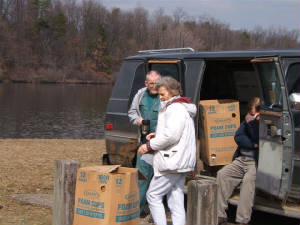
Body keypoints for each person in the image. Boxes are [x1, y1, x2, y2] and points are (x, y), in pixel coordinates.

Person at [138, 76, 197, 225]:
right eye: (159, 94)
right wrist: (157, 134)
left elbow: (171, 136)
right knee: (175, 198)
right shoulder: (180, 106)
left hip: (172, 161)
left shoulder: (175, 108)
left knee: (153, 195)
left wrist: (149, 146)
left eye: (163, 94)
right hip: (179, 160)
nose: (160, 97)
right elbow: (174, 132)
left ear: (173, 92)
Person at [216, 97, 260, 225]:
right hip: (242, 159)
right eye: (250, 113)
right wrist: (253, 144)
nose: (251, 116)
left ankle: (242, 219)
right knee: (222, 174)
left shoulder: (259, 123)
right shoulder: (248, 121)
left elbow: (258, 137)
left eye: (253, 114)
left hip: (255, 162)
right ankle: (220, 214)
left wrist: (252, 124)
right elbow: (238, 136)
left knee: (248, 182)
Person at [128, 70, 161, 216]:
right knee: (141, 177)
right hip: (144, 145)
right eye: (151, 83)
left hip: (162, 145)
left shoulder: (166, 95)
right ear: (146, 83)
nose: (154, 86)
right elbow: (132, 113)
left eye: (157, 83)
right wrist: (138, 120)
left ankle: (157, 212)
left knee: (161, 179)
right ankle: (138, 211)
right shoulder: (140, 95)